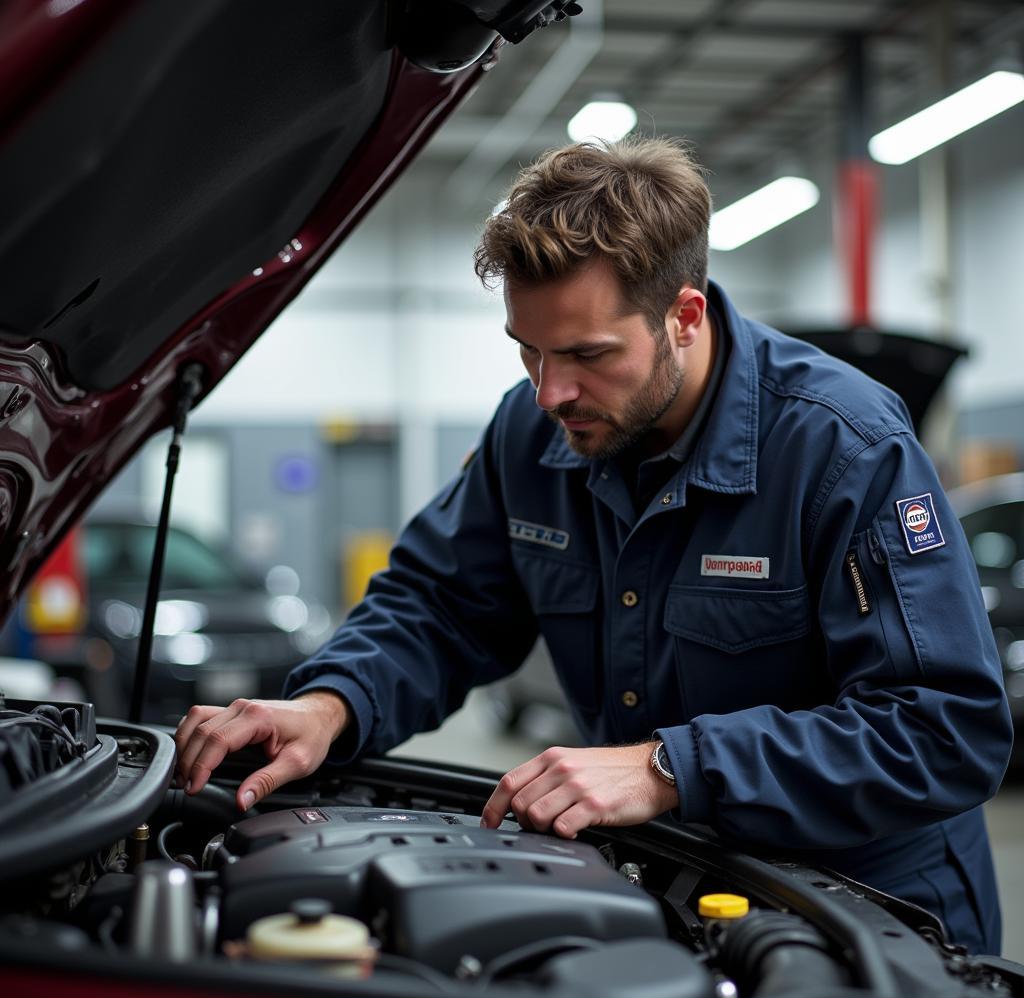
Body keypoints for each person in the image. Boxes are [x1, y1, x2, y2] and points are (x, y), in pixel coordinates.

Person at [175, 138, 1012, 954]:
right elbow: (438, 607)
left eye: (585, 354)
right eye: (527, 351)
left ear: (683, 316)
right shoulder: (531, 436)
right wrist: (332, 704)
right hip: (669, 891)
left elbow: (944, 729)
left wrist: (667, 769)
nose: (549, 392)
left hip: (872, 921)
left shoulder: (842, 448)